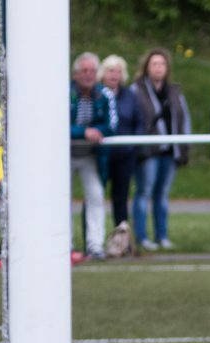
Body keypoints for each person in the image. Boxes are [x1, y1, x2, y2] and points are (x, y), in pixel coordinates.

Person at [132, 48, 192, 252]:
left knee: (162, 194)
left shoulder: (174, 91)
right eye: (154, 64)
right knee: (144, 192)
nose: (158, 68)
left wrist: (184, 146)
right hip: (148, 152)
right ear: (146, 68)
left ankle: (162, 235)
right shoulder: (137, 90)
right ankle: (142, 237)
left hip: (170, 152)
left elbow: (184, 119)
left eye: (162, 64)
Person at [70, 51, 117, 261]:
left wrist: (96, 131)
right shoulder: (63, 92)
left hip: (91, 155)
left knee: (96, 195)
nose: (88, 75)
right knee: (62, 199)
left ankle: (95, 245)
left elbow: (112, 125)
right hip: (64, 155)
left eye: (92, 71)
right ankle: (64, 245)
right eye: (84, 71)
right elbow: (53, 124)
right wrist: (83, 132)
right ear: (76, 74)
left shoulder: (104, 95)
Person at [99, 54, 141, 230]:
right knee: (95, 196)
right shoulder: (96, 93)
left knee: (121, 198)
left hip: (124, 154)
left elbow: (138, 121)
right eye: (110, 71)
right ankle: (93, 239)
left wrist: (133, 145)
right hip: (100, 154)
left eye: (118, 71)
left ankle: (121, 237)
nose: (114, 75)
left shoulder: (129, 95)